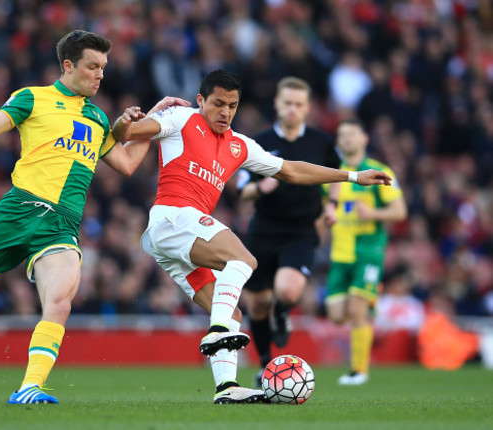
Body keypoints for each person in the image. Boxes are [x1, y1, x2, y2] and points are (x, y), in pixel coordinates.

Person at [0, 30, 188, 404]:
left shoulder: (97, 118)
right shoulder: (32, 98)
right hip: (18, 211)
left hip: (61, 226)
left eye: (104, 68)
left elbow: (126, 163)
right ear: (68, 65)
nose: (100, 75)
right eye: (93, 66)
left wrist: (155, 119)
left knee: (60, 300)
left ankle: (30, 386)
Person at [111, 69, 391, 403]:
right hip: (173, 216)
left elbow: (292, 170)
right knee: (243, 259)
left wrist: (353, 176)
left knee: (232, 315)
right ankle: (216, 332)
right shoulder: (182, 118)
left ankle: (226, 388)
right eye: (217, 103)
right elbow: (126, 132)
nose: (225, 112)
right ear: (201, 100)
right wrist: (125, 119)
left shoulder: (240, 145)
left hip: (175, 238)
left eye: (232, 105)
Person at [236, 77, 341, 384]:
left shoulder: (321, 142)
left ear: (307, 108)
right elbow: (242, 191)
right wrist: (261, 188)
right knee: (256, 303)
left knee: (287, 291)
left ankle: (282, 314)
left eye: (299, 104)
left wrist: (332, 205)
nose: (293, 109)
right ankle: (267, 365)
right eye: (287, 103)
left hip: (300, 229)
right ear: (277, 104)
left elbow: (333, 177)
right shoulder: (259, 142)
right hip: (264, 229)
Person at [324, 119, 407, 385]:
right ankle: (369, 304)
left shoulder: (379, 171)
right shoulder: (332, 176)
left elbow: (400, 211)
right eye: (342, 135)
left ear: (364, 139)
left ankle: (358, 371)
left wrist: (372, 213)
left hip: (368, 251)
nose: (346, 139)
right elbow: (326, 209)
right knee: (337, 314)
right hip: (340, 253)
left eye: (352, 134)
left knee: (356, 310)